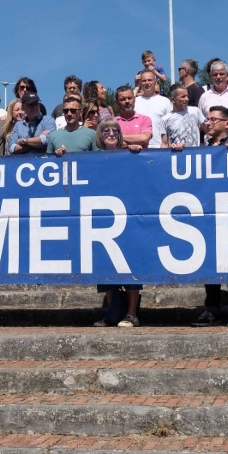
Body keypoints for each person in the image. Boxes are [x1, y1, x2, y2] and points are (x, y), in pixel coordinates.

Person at [193, 106, 228, 327]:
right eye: (208, 119)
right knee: (210, 264)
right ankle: (211, 307)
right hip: (207, 214)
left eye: (214, 119)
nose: (209, 122)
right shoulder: (200, 150)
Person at [94, 119, 143, 327]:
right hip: (102, 220)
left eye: (115, 130)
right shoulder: (91, 159)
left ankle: (132, 313)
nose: (111, 133)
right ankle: (113, 314)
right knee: (104, 268)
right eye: (106, 130)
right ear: (100, 135)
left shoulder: (131, 155)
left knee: (132, 267)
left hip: (129, 219)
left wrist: (136, 151)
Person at [134, 70, 172, 148]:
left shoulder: (165, 101)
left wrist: (167, 144)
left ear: (155, 82)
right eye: (144, 80)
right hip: (139, 147)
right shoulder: (135, 102)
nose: (147, 83)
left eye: (150, 80)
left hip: (160, 147)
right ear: (140, 83)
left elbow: (171, 125)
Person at [160, 83, 205, 150]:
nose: (187, 99)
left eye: (187, 96)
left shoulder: (195, 111)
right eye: (183, 96)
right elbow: (164, 144)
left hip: (195, 155)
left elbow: (208, 131)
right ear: (173, 99)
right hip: (176, 156)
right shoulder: (165, 119)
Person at [113, 85, 151, 151]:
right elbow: (108, 142)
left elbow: (144, 138)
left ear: (134, 99)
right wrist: (135, 141)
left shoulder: (145, 119)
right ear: (117, 102)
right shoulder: (112, 122)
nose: (127, 101)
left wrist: (117, 137)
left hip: (141, 159)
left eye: (129, 98)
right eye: (123, 99)